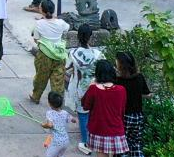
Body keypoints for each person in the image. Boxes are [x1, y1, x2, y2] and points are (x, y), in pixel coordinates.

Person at [68, 24, 103, 153]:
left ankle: (85, 141)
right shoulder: (98, 54)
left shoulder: (73, 53)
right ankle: (94, 138)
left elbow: (67, 68)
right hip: (95, 87)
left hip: (79, 89)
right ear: (90, 37)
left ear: (78, 36)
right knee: (93, 113)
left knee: (83, 115)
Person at [82, 60, 128, 157]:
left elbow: (85, 106)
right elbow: (122, 110)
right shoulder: (121, 90)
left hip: (98, 129)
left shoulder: (93, 89)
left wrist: (90, 86)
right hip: (116, 128)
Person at [30, 0, 70, 104]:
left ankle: (36, 96)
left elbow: (36, 39)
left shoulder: (39, 24)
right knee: (58, 80)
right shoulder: (61, 23)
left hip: (44, 56)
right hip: (59, 55)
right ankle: (57, 103)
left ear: (41, 10)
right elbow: (67, 28)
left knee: (41, 78)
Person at [115, 52, 151, 157]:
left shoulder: (118, 80)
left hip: (124, 117)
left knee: (122, 145)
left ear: (121, 65)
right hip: (137, 116)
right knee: (136, 144)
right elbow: (147, 94)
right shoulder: (139, 77)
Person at [42, 91, 77, 157]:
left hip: (56, 142)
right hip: (65, 141)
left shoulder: (50, 113)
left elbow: (50, 125)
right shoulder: (65, 113)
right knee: (59, 155)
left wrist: (44, 125)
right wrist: (74, 120)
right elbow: (73, 120)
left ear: (49, 103)